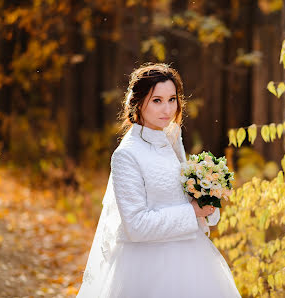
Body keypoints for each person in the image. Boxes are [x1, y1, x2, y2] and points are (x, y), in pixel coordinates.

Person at [77, 63, 241, 298]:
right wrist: (192, 211)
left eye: (172, 99)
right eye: (157, 100)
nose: (167, 109)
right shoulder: (127, 155)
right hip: (145, 267)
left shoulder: (172, 136)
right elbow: (136, 225)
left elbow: (181, 194)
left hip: (190, 259)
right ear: (137, 102)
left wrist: (207, 197)